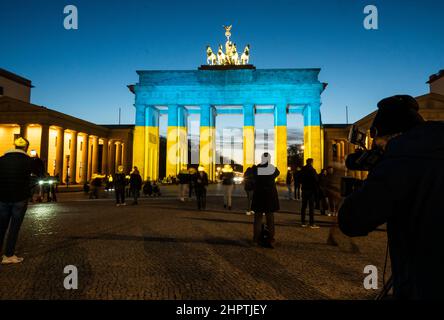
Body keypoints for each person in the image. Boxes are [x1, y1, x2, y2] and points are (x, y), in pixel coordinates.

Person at [338, 95, 444, 299]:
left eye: (377, 144)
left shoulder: (400, 162)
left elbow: (352, 221)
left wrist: (376, 175)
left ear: (390, 137)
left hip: (424, 279)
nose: (377, 150)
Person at [0, 137, 36, 264]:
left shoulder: (2, 159)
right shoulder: (29, 161)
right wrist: (29, 190)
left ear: (14, 146)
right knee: (14, 227)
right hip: (20, 197)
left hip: (2, 196)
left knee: (1, 226)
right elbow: (39, 175)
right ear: (26, 147)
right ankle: (8, 255)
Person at [251, 153, 280, 248]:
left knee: (258, 218)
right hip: (270, 196)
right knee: (270, 218)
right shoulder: (272, 168)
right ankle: (271, 239)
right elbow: (277, 173)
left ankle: (255, 239)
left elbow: (252, 176)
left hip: (259, 195)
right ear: (269, 159)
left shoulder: (256, 169)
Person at [299, 158, 320, 228]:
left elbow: (299, 178)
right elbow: (316, 179)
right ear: (311, 162)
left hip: (304, 190)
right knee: (311, 207)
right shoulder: (312, 170)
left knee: (303, 207)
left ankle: (303, 222)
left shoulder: (303, 170)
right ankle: (311, 223)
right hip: (311, 190)